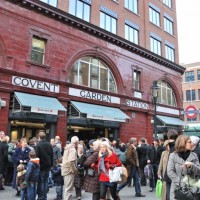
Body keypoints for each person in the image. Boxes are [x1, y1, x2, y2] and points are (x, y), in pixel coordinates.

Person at [167, 135, 200, 200]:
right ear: (182, 143)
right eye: (189, 142)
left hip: (192, 190)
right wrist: (181, 183)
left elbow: (199, 171)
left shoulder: (194, 155)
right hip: (177, 189)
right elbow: (170, 172)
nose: (192, 144)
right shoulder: (173, 156)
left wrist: (192, 165)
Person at [35, 131, 53, 200]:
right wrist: (51, 165)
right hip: (48, 165)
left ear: (39, 137)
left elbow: (37, 156)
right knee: (46, 181)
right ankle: (44, 196)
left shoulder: (38, 145)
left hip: (41, 166)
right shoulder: (49, 144)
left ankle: (41, 197)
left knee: (41, 182)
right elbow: (51, 155)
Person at [61, 136, 79, 200]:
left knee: (67, 188)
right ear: (77, 142)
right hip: (69, 171)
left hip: (65, 170)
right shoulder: (72, 149)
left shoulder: (67, 148)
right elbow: (71, 161)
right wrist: (74, 170)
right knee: (68, 189)